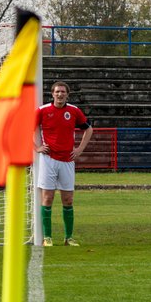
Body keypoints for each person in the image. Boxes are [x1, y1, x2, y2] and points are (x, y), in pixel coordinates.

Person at [34, 81, 92, 246]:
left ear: (67, 94)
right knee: (47, 197)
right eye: (57, 92)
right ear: (52, 94)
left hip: (67, 160)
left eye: (63, 92)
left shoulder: (73, 111)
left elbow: (89, 129)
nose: (60, 94)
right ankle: (47, 238)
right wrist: (37, 147)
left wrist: (80, 149)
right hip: (48, 159)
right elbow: (28, 128)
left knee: (68, 199)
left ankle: (68, 238)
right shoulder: (42, 110)